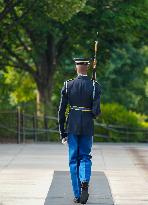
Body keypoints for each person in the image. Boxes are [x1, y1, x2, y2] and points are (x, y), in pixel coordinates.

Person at [58, 58, 101, 204]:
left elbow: (61, 111)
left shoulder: (68, 85)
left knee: (73, 159)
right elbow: (96, 112)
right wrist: (94, 95)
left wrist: (62, 132)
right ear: (87, 68)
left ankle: (77, 195)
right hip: (87, 125)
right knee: (85, 157)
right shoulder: (95, 86)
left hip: (72, 125)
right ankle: (84, 181)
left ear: (76, 68)